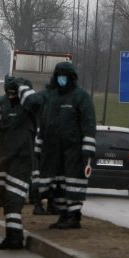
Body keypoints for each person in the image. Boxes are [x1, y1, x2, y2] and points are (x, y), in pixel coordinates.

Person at [27, 61, 96, 229]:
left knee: (73, 182)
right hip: (53, 149)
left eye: (64, 76)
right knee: (57, 183)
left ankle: (74, 216)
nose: (61, 79)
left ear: (71, 77)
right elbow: (44, 121)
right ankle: (63, 214)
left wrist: (87, 150)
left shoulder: (81, 96)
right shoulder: (52, 96)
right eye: (59, 76)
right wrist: (40, 144)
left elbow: (88, 123)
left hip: (74, 149)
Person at [0, 76, 42, 249]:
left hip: (21, 159)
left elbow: (36, 104)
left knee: (13, 199)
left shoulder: (30, 107)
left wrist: (22, 88)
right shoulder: (1, 102)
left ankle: (15, 238)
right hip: (2, 158)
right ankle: (12, 236)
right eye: (8, 92)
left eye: (14, 92)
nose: (10, 95)